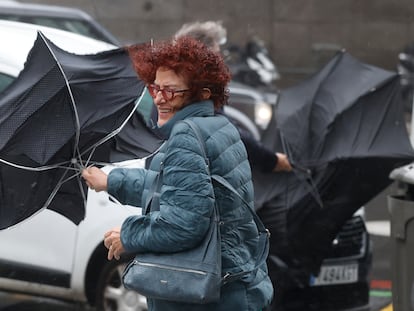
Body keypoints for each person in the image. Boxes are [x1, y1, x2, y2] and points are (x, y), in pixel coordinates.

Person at [82, 36, 273, 311]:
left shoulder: (186, 136)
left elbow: (184, 223)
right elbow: (176, 189)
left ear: (202, 93)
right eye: (154, 88)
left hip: (205, 297)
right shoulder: (218, 127)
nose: (158, 98)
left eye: (170, 91)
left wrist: (129, 235)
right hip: (235, 286)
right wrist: (111, 181)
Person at [174, 20, 292, 173]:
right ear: (201, 55)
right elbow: (227, 132)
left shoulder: (170, 84)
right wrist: (272, 160)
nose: (220, 60)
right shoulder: (198, 89)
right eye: (216, 54)